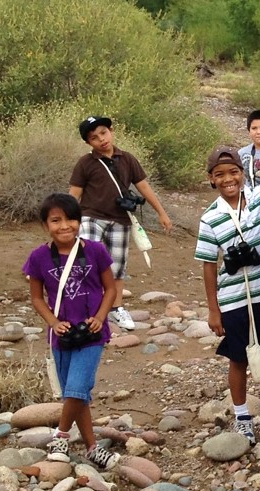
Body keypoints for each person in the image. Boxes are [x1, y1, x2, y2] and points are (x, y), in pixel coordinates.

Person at [195, 147, 260, 442]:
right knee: (237, 358)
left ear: (242, 173)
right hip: (234, 297)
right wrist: (214, 309)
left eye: (233, 172)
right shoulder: (210, 218)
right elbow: (209, 265)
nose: (228, 179)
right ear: (211, 179)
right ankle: (241, 415)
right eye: (220, 175)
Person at [23, 193, 122, 471]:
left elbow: (110, 288)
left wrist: (101, 317)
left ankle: (60, 438)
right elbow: (36, 298)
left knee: (77, 388)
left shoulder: (94, 250)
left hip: (92, 334)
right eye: (56, 220)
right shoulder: (39, 257)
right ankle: (92, 449)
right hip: (61, 335)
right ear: (45, 225)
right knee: (74, 395)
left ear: (80, 221)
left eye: (71, 219)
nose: (64, 226)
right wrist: (53, 322)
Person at [69, 115, 175, 332]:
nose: (101, 139)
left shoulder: (127, 159)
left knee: (116, 267)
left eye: (103, 133)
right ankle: (85, 306)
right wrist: (68, 221)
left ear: (111, 131)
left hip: (120, 219)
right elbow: (74, 195)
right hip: (91, 216)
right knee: (86, 259)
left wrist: (162, 213)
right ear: (89, 143)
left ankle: (115, 308)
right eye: (94, 137)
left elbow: (144, 187)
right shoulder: (86, 163)